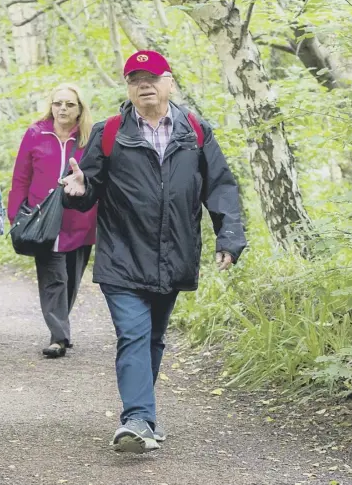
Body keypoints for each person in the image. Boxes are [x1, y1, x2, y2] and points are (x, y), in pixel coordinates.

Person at [62, 50, 247, 453]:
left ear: (169, 83)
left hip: (173, 253)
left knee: (154, 338)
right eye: (135, 79)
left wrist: (228, 236)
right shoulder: (110, 132)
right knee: (133, 334)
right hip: (121, 253)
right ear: (128, 88)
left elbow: (219, 186)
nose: (144, 84)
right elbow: (88, 184)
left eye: (152, 77)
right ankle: (138, 419)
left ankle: (144, 416)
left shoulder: (196, 131)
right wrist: (78, 191)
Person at [8, 83, 97, 358]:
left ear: (80, 108)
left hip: (80, 218)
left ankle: (61, 326)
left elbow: (99, 176)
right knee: (53, 277)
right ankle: (58, 337)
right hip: (43, 218)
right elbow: (21, 175)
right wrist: (16, 214)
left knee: (71, 278)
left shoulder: (89, 137)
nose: (63, 108)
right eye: (58, 103)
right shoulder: (36, 133)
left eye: (70, 104)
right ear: (51, 105)